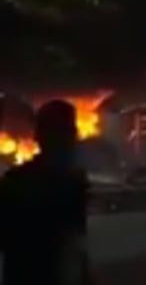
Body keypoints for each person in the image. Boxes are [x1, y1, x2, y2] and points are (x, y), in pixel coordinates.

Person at [0, 99, 94, 285]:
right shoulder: (70, 183)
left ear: (37, 137)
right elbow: (73, 244)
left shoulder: (14, 181)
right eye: (66, 133)